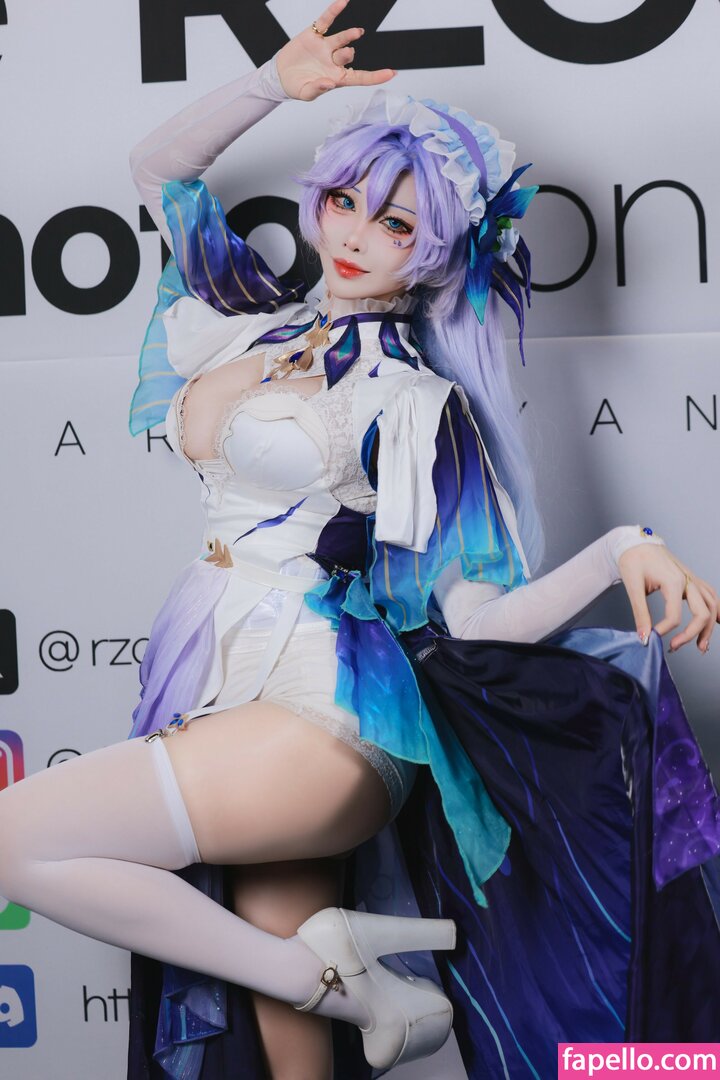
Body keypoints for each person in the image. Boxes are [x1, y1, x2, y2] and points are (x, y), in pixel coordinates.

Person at [1, 3, 719, 1078]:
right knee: (289, 1050)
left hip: (327, 724)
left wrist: (619, 544)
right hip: (221, 692)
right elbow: (158, 170)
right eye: (344, 201)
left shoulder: (417, 402)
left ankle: (339, 980)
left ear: (437, 252)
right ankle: (324, 978)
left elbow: (478, 619)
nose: (352, 235)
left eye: (394, 223)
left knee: (15, 838)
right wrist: (271, 83)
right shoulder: (249, 321)